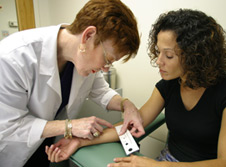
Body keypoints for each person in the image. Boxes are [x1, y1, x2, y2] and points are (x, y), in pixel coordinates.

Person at [45, 9, 226, 167]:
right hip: (166, 161)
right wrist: (81, 141)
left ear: (197, 56)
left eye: (168, 55)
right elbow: (131, 125)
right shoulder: (168, 86)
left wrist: (158, 166)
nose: (158, 61)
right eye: (158, 52)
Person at [0, 0, 145, 166]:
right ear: (88, 35)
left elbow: (102, 92)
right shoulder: (12, 58)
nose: (105, 69)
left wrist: (127, 105)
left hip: (42, 148)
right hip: (10, 152)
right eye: (107, 59)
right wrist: (69, 126)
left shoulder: (81, 60)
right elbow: (7, 127)